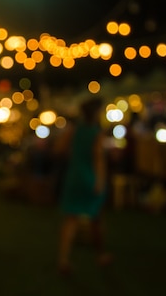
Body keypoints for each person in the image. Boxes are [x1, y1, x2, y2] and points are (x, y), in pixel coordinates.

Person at [57, 97, 112, 275]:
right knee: (95, 219)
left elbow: (59, 149)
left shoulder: (74, 131)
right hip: (90, 177)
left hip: (74, 176)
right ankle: (101, 255)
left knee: (70, 220)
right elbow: (98, 158)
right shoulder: (97, 133)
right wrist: (101, 181)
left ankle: (63, 259)